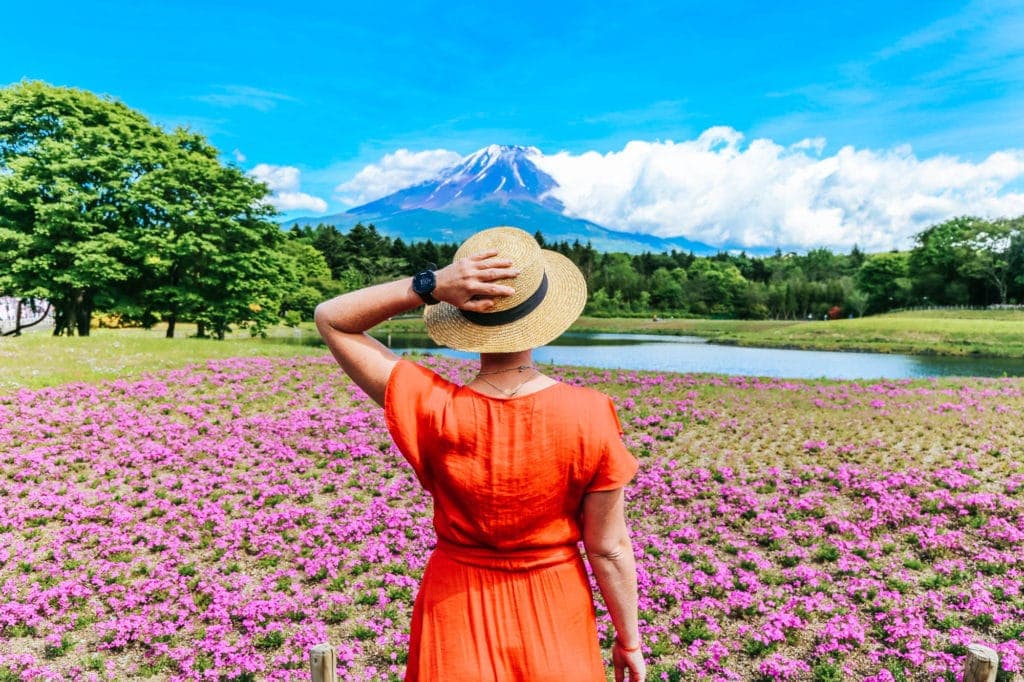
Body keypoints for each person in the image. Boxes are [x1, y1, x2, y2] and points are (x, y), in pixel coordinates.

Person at [314, 226, 645, 682]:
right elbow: (608, 549)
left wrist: (427, 286)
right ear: (545, 319)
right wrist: (628, 640)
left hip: (455, 606)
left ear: (465, 320)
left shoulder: (431, 406)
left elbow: (331, 316)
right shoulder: (590, 414)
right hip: (555, 608)